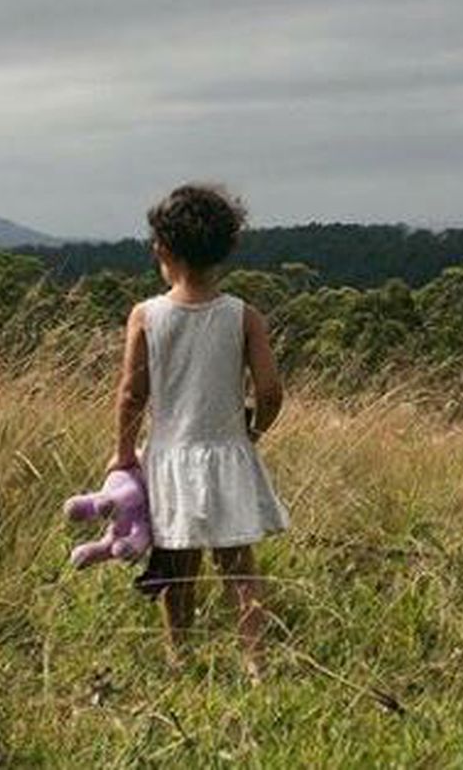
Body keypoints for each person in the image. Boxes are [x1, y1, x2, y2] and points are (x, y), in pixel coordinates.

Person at [111, 183, 290, 677]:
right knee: (240, 568)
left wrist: (124, 455)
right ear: (226, 250)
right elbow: (271, 390)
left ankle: (179, 655)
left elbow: (131, 393)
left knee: (176, 568)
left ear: (163, 250)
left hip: (169, 457)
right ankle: (256, 662)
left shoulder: (145, 316)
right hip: (228, 453)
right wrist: (253, 432)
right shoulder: (244, 316)